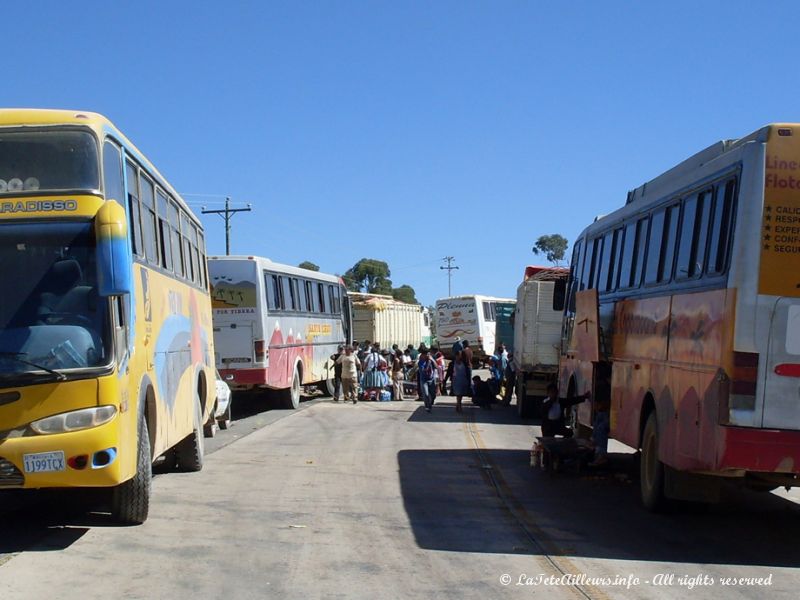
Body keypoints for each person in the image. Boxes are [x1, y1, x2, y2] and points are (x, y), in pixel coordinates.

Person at [589, 364, 612, 467]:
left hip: (608, 413)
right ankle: (596, 449)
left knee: (601, 428)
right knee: (597, 425)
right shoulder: (603, 385)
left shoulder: (603, 386)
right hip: (603, 413)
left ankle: (601, 455)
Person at [416, 345, 437, 412]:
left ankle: (431, 401)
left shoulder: (431, 359)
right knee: (426, 393)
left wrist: (432, 360)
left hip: (432, 378)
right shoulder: (421, 362)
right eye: (426, 355)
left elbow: (436, 366)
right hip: (424, 379)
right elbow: (424, 370)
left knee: (433, 394)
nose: (427, 356)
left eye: (428, 354)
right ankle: (427, 406)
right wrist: (428, 362)